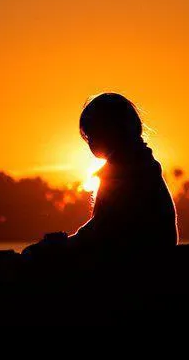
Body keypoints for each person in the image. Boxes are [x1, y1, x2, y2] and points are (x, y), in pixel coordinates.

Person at [23, 93, 177, 256]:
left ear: (113, 130)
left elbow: (101, 230)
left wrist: (61, 245)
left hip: (136, 261)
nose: (90, 142)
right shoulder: (144, 165)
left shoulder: (128, 172)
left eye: (92, 135)